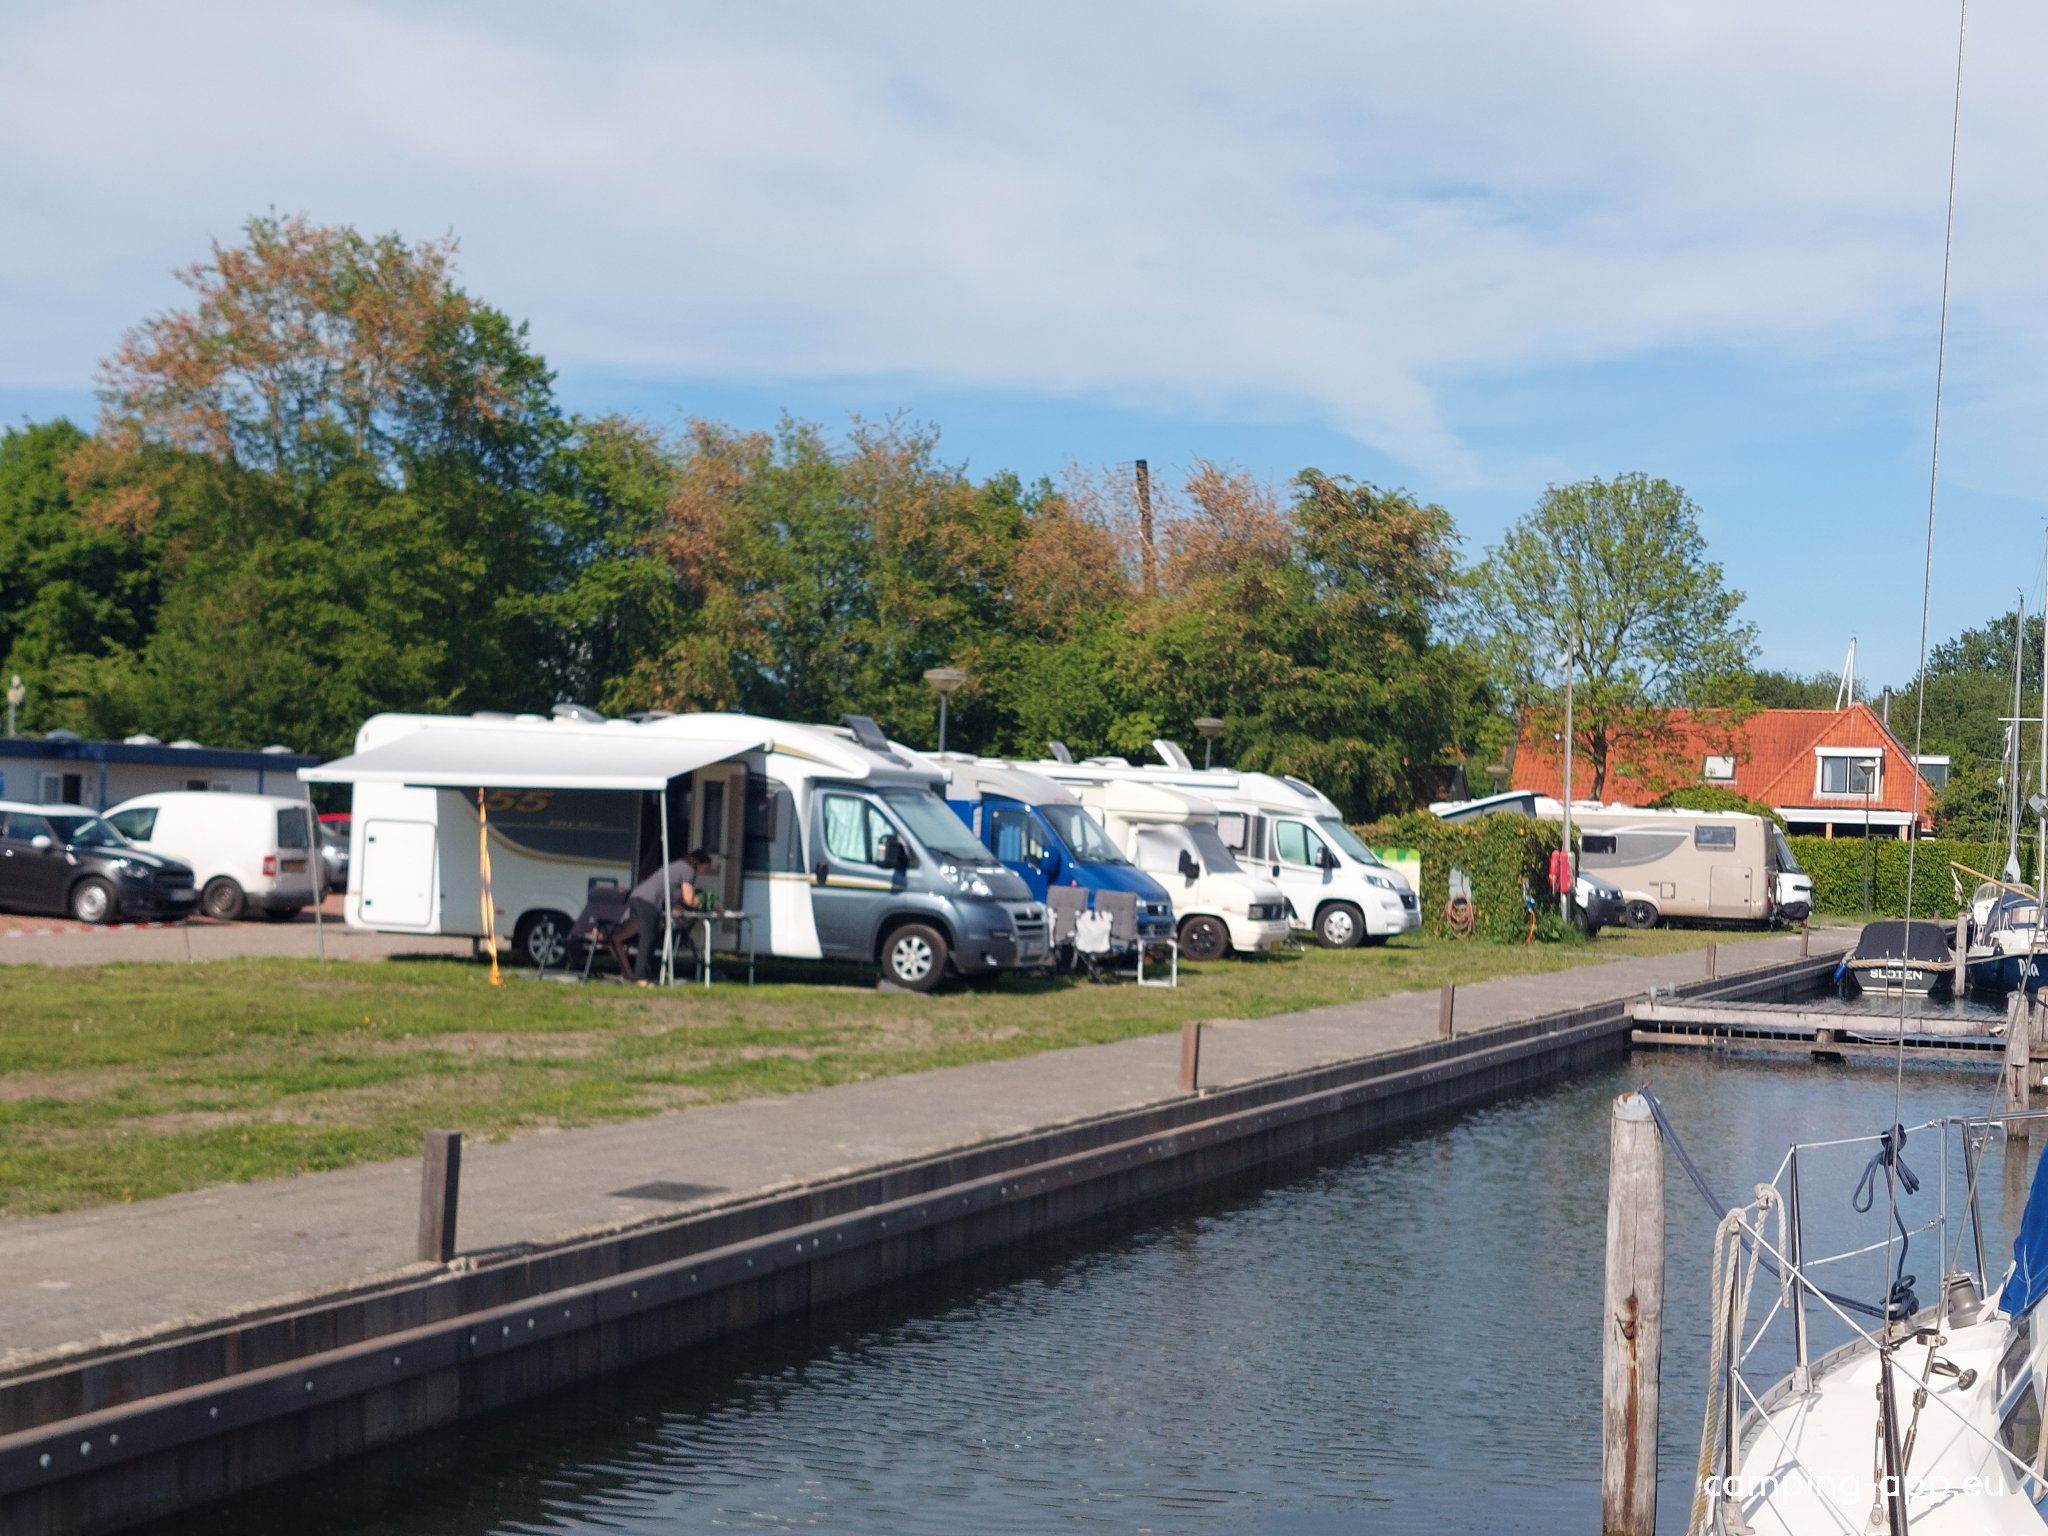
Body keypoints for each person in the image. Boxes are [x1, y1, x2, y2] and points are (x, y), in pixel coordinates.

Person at [628, 849, 712, 985]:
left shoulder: (677, 866)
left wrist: (675, 905)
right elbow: (689, 899)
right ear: (699, 863)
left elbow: (671, 892)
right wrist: (708, 902)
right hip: (648, 901)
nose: (705, 870)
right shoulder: (689, 871)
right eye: (706, 867)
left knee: (650, 938)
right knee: (648, 939)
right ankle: (641, 978)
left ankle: (644, 975)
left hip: (637, 897)